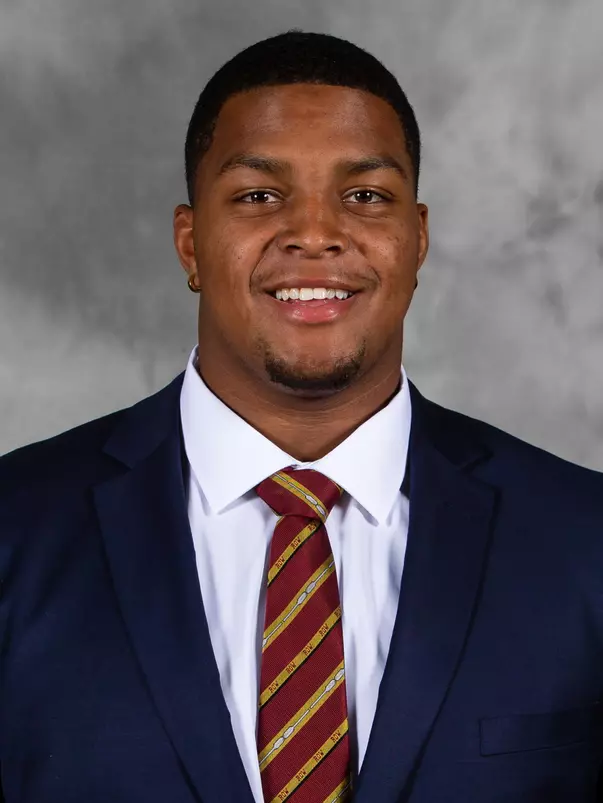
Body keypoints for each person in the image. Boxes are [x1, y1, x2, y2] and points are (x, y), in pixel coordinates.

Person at [0, 28, 602, 803]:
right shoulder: (16, 529)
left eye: (364, 196)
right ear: (189, 242)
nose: (315, 234)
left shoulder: (584, 541)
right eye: (258, 195)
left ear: (416, 239)